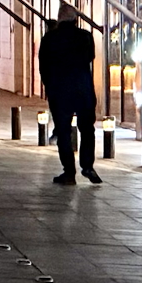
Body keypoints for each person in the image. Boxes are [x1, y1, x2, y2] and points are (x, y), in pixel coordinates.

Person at [39, 16, 101, 184]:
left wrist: (50, 87)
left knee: (63, 131)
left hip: (60, 91)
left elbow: (43, 67)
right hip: (83, 90)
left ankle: (69, 172)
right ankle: (88, 166)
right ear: (75, 20)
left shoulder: (50, 38)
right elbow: (90, 57)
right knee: (87, 129)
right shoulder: (85, 36)